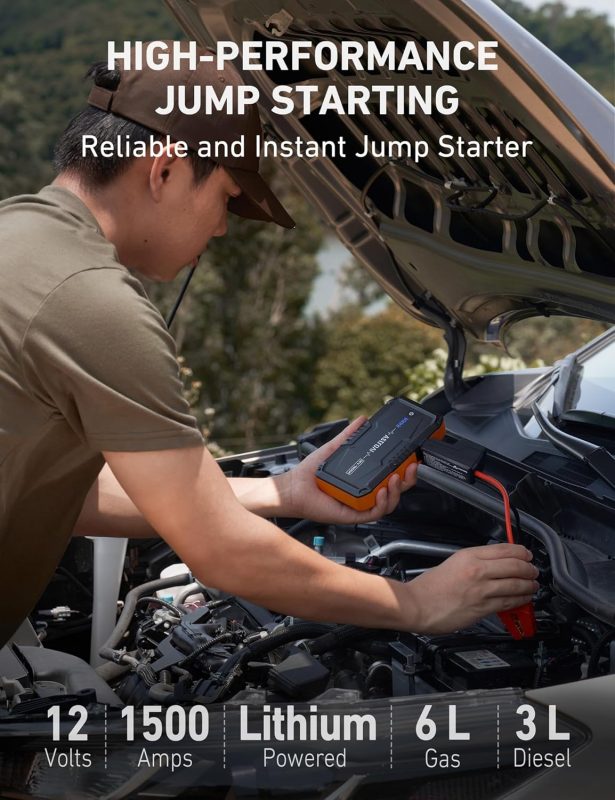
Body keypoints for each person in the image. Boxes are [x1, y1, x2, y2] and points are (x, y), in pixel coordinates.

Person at [0, 43, 538, 650]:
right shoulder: (92, 302)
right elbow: (224, 555)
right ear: (166, 170)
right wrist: (418, 601)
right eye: (228, 197)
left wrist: (281, 494)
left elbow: (59, 491)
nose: (224, 226)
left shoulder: (18, 236)